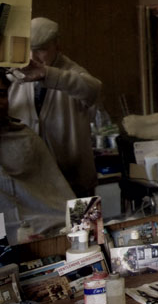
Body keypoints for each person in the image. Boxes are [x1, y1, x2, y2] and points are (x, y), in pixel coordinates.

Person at [8, 17, 102, 197]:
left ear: (57, 46)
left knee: (83, 225)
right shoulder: (19, 71)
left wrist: (46, 73)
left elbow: (93, 88)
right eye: (29, 49)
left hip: (76, 182)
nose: (33, 57)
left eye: (41, 50)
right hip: (33, 183)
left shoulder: (72, 71)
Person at [0, 70, 76, 244]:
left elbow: (65, 196)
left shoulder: (25, 137)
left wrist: (84, 227)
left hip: (49, 232)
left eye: (2, 94)